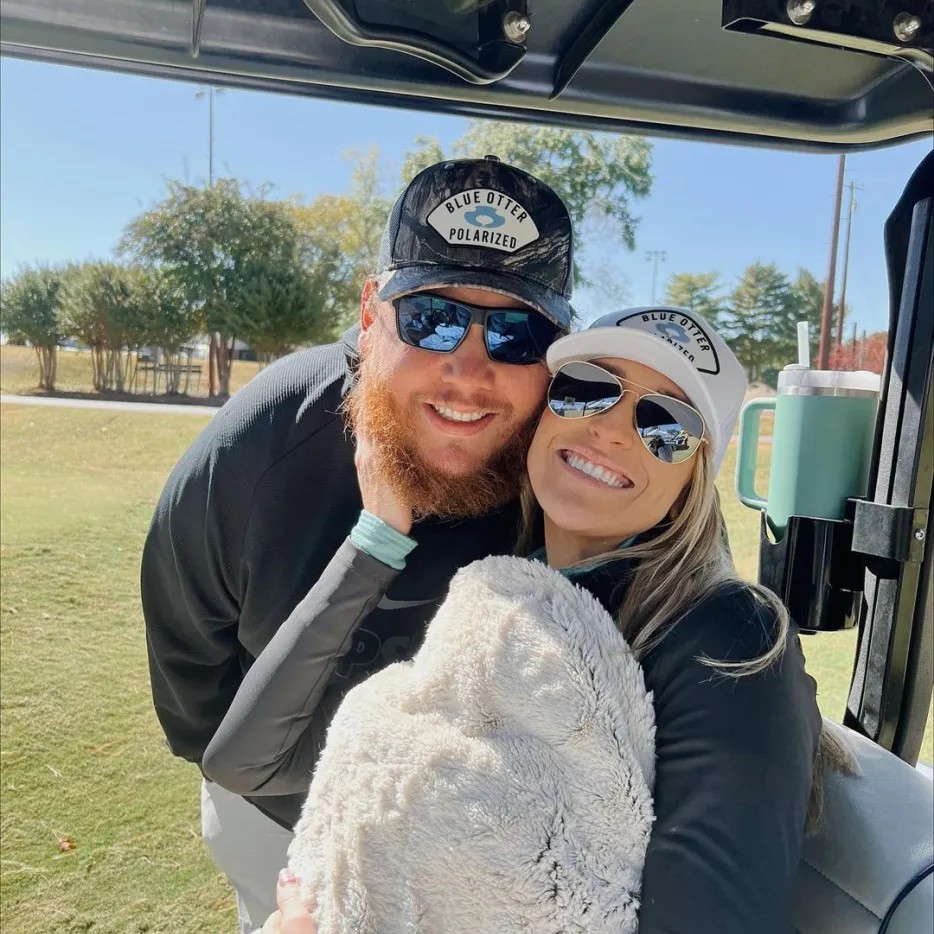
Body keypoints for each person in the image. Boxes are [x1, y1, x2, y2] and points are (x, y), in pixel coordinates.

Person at [220, 308, 850, 932]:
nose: (612, 430)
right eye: (587, 390)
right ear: (544, 413)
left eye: (666, 424)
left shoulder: (726, 635)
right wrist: (378, 539)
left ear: (693, 478)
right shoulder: (499, 588)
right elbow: (247, 760)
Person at [140, 154, 575, 933]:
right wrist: (351, 814)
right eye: (433, 318)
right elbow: (195, 707)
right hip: (276, 823)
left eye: (515, 333)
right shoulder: (262, 442)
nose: (470, 371)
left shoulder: (561, 464)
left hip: (472, 834)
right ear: (373, 310)